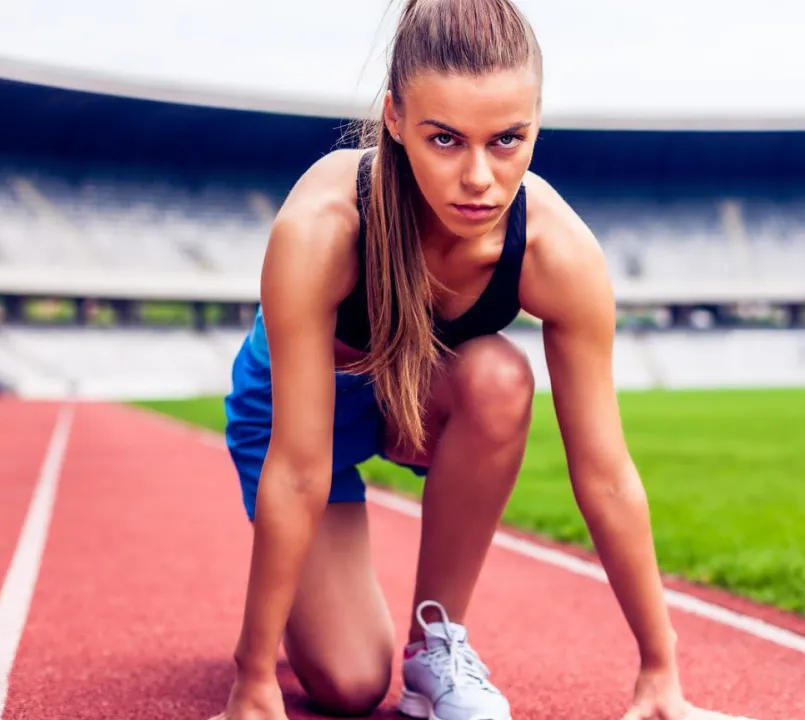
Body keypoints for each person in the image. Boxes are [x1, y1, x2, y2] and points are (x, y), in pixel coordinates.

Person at [213, 1, 750, 719]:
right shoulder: (324, 227)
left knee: (502, 377)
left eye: (506, 140)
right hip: (303, 410)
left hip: (431, 399)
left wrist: (661, 672)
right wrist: (252, 682)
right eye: (445, 139)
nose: (478, 179)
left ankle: (436, 645)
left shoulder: (557, 252)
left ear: (535, 125)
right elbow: (300, 466)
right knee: (349, 686)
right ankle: (292, 633)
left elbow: (607, 473)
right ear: (395, 118)